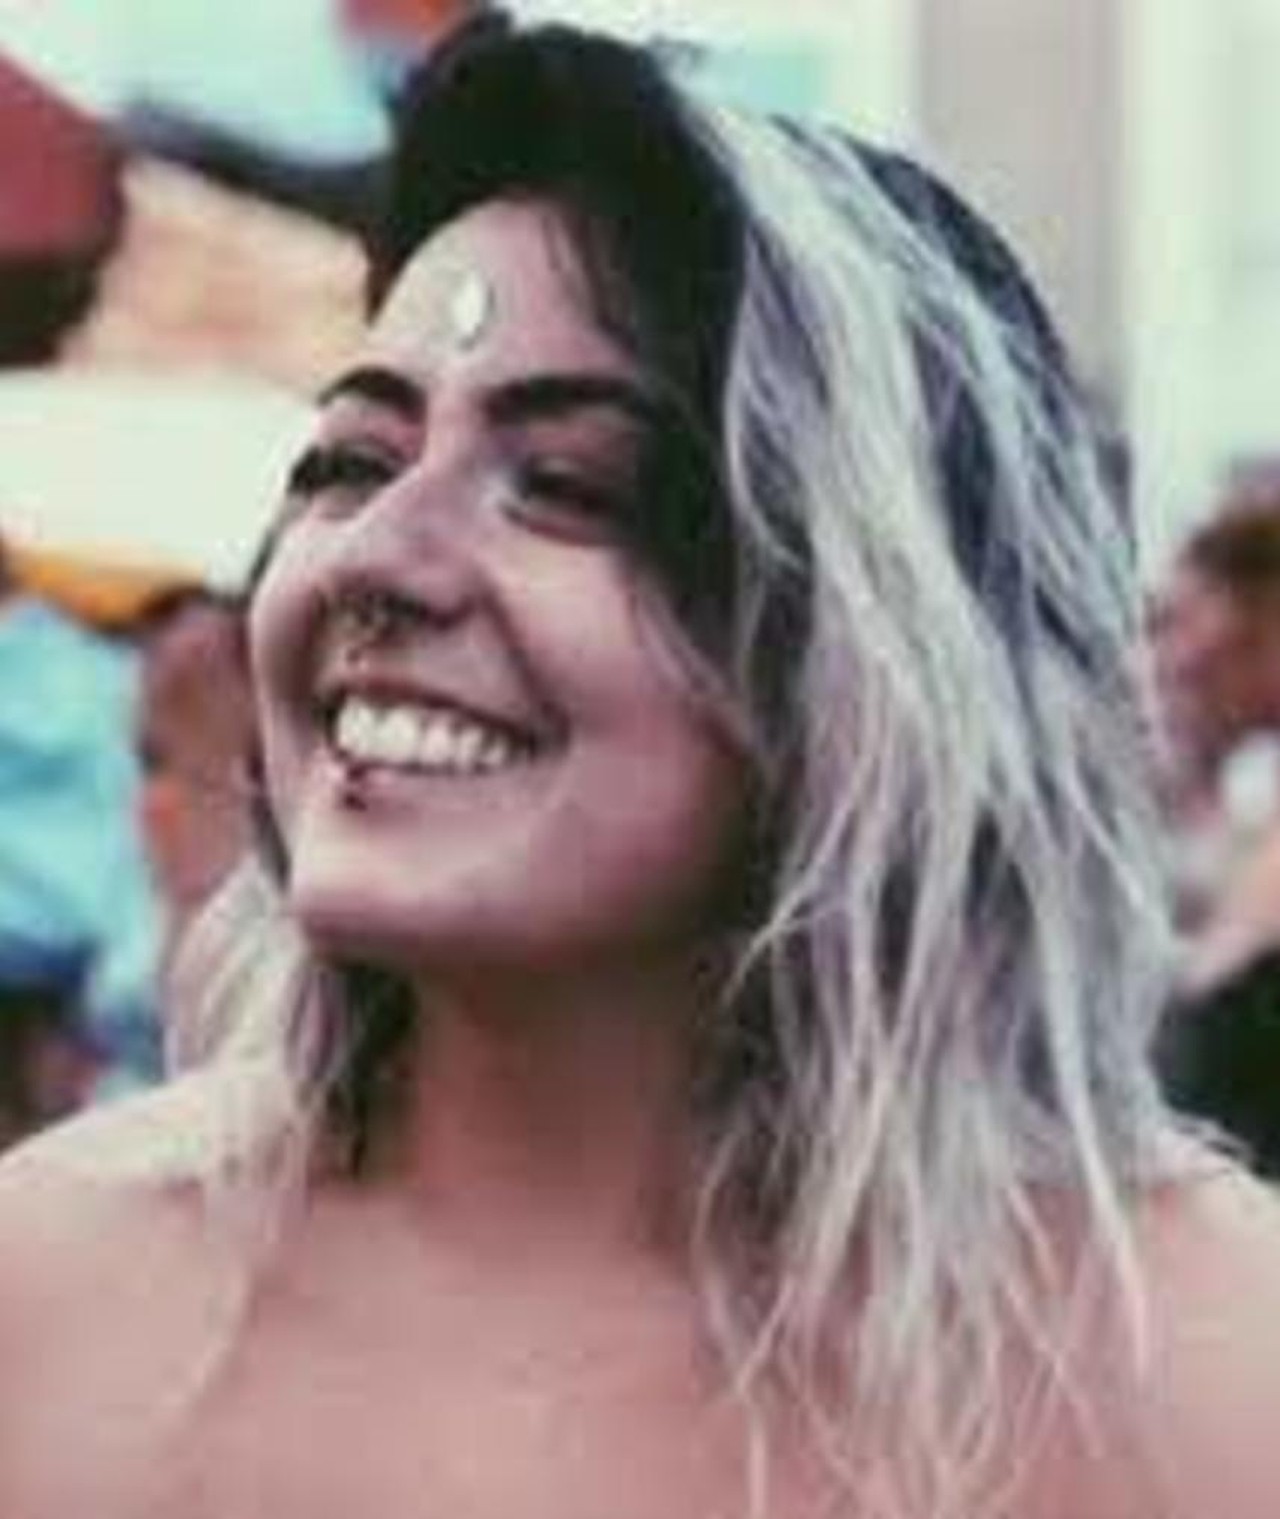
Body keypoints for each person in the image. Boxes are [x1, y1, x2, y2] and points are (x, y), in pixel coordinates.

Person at [1, 18, 1280, 1519]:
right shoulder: (55, 1304)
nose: (377, 558)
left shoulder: (1197, 1372)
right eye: (350, 463)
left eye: (566, 485)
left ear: (878, 650)